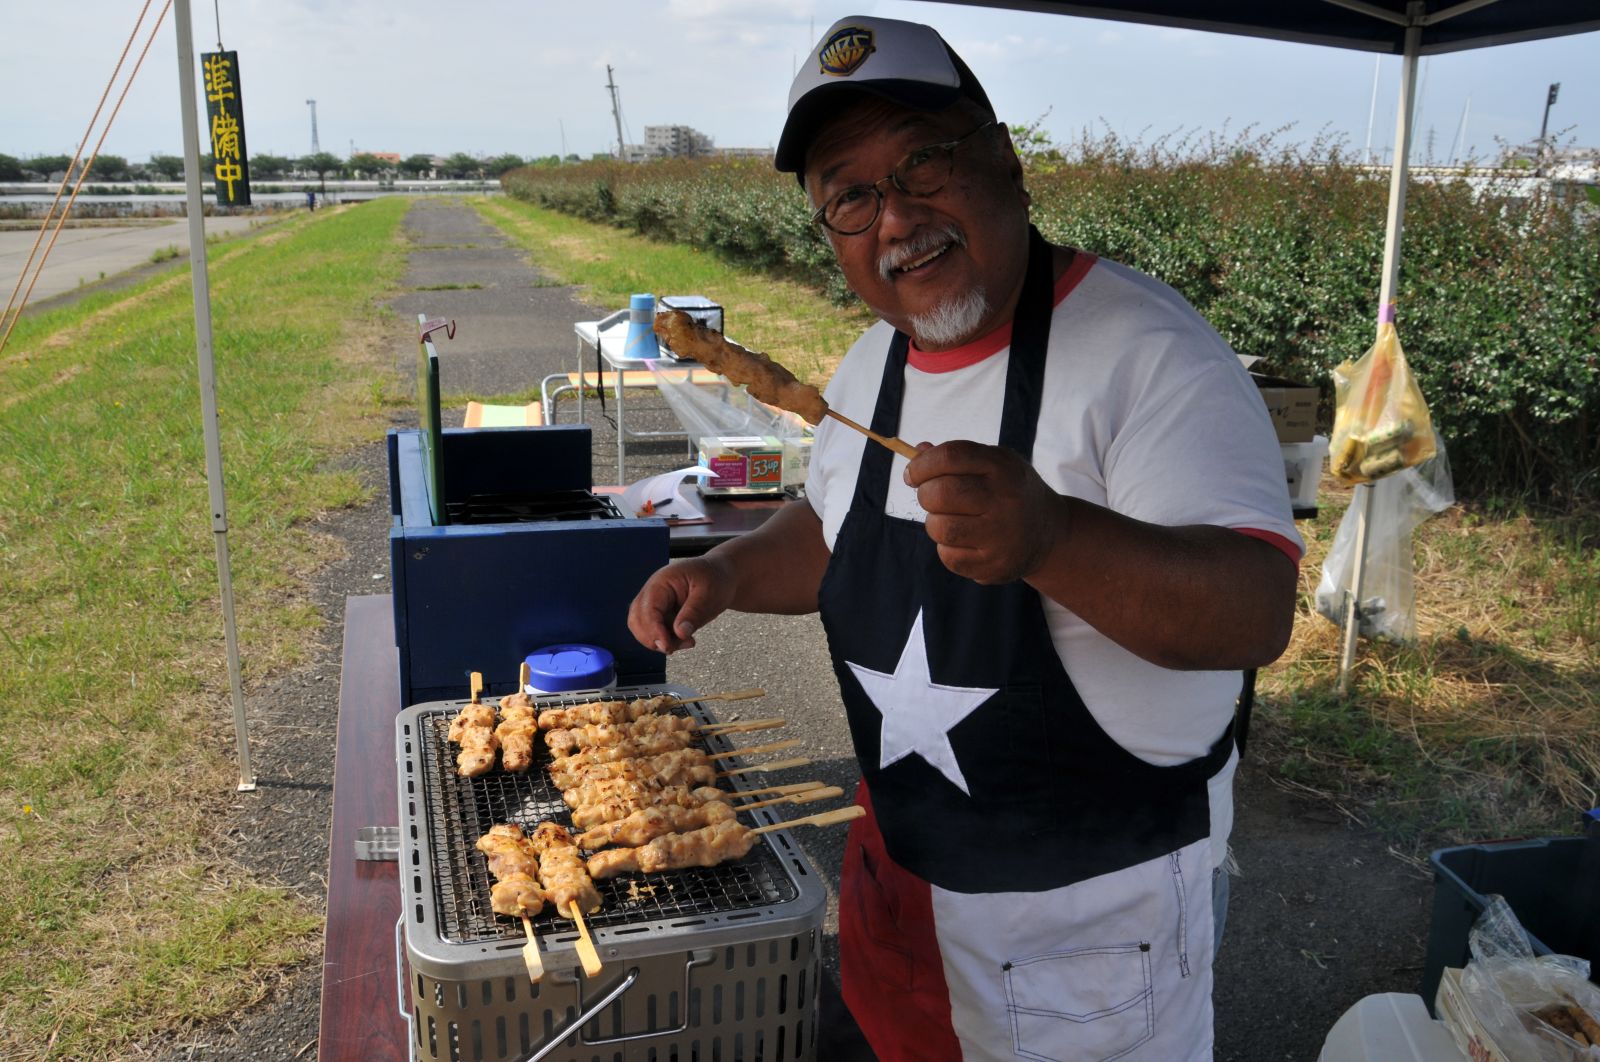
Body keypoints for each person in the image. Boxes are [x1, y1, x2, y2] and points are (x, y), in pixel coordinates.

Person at [628, 15, 1301, 1060]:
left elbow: (1254, 611)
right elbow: (835, 529)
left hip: (1081, 943)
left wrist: (1052, 538)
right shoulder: (873, 364)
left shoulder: (1152, 356)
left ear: (1004, 160)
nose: (896, 217)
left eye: (923, 163)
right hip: (897, 900)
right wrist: (724, 571)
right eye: (851, 195)